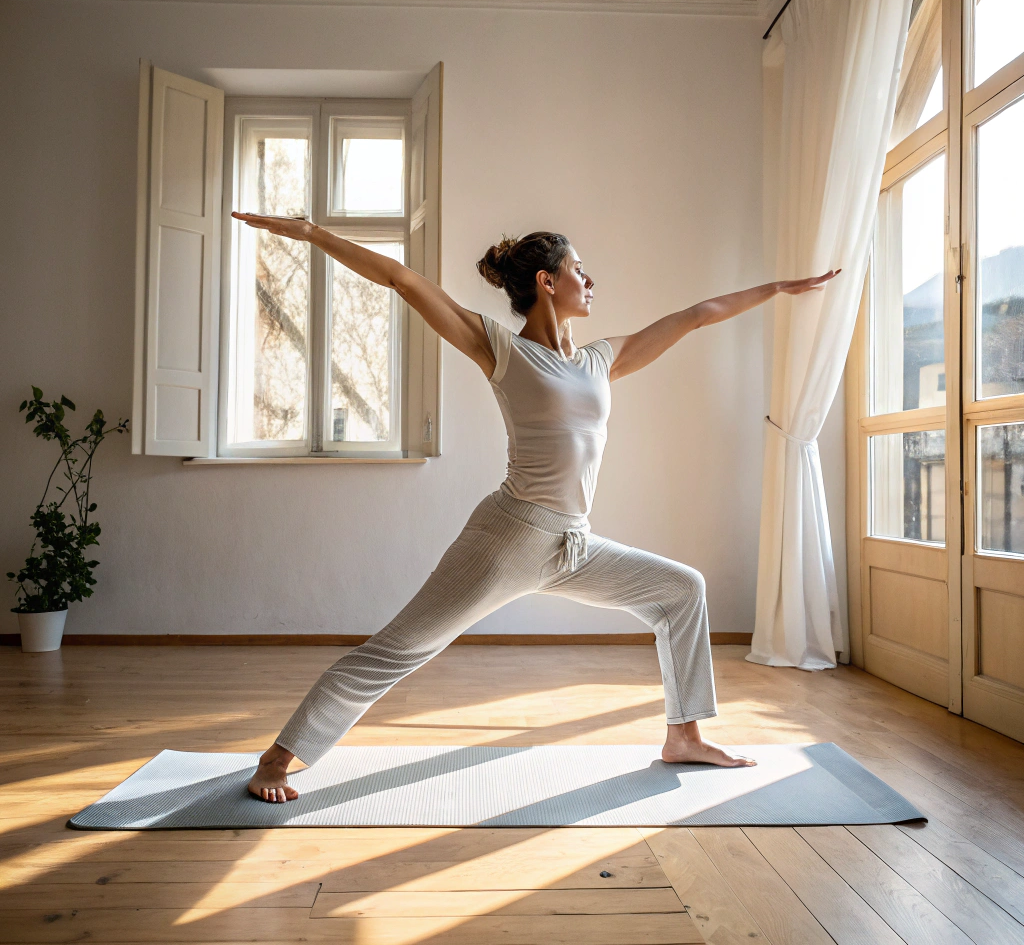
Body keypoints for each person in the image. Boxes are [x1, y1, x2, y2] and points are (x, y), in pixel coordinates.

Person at [232, 212, 839, 802]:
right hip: (509, 538)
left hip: (573, 545)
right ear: (547, 282)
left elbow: (697, 316)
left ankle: (684, 736)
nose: (591, 281)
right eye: (580, 269)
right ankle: (278, 757)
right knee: (400, 649)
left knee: (682, 591)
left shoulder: (602, 359)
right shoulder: (502, 349)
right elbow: (401, 279)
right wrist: (312, 234)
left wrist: (779, 287)